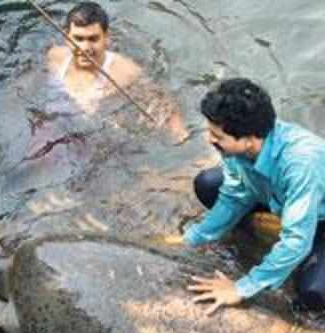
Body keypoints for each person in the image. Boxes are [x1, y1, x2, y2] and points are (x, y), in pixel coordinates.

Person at [165, 78, 325, 314]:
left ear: (250, 139)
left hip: (319, 216)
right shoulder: (238, 148)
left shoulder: (301, 163)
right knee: (209, 184)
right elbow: (233, 196)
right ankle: (254, 237)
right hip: (280, 198)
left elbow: (296, 239)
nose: (209, 139)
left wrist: (242, 288)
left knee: (314, 294)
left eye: (217, 136)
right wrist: (194, 237)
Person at [46, 1, 188, 142]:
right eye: (78, 39)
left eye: (93, 39)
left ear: (106, 37)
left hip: (98, 141)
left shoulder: (125, 72)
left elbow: (166, 108)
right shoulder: (56, 58)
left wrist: (181, 138)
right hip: (56, 129)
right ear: (67, 37)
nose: (85, 47)